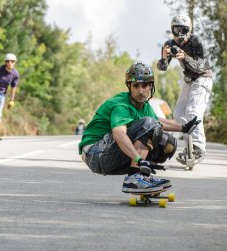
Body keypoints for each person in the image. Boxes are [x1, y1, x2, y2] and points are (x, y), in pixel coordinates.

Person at [79, 62, 199, 193]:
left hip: (107, 153)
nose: (141, 91)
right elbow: (119, 134)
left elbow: (158, 122)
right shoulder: (121, 105)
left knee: (168, 143)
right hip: (95, 153)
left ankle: (143, 177)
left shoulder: (143, 105)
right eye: (136, 86)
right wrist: (138, 159)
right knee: (149, 125)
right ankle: (134, 177)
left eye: (145, 85)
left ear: (151, 86)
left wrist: (184, 127)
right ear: (129, 86)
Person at [157, 15, 213, 162]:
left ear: (189, 30)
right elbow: (162, 68)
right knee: (178, 114)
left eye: (183, 29)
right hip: (188, 80)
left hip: (203, 78)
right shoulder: (169, 44)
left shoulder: (196, 42)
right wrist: (163, 58)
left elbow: (201, 66)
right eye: (176, 29)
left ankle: (199, 148)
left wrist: (184, 57)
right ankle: (190, 147)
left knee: (193, 111)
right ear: (172, 29)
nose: (179, 33)